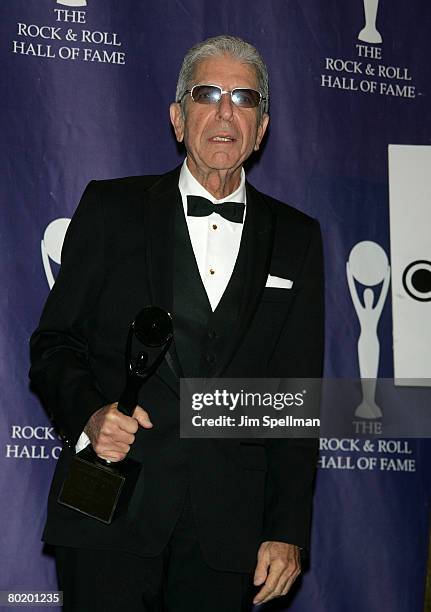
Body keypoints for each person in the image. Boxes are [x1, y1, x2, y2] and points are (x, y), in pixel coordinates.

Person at [30, 35, 324, 611]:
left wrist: (287, 528)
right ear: (177, 117)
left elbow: (296, 397)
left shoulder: (298, 238)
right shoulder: (113, 209)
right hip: (110, 506)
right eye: (207, 93)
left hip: (228, 529)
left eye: (243, 98)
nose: (224, 112)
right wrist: (90, 412)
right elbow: (54, 343)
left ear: (261, 127)